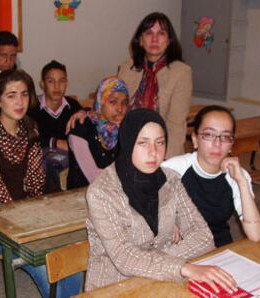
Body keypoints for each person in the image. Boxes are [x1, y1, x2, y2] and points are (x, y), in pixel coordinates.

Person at [85, 109, 238, 294]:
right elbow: (124, 258)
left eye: (160, 143)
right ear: (128, 141)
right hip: (114, 288)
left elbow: (203, 235)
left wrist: (156, 263)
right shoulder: (102, 192)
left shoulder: (170, 180)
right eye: (142, 143)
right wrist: (181, 267)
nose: (153, 152)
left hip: (161, 282)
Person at [0, 69, 81, 298]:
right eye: (11, 95)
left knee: (69, 256)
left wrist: (39, 219)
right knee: (44, 263)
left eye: (24, 94)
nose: (20, 102)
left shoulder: (30, 127)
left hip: (26, 216)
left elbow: (35, 182)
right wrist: (27, 228)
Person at [163, 105, 260, 247]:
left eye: (225, 136)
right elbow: (140, 203)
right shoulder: (173, 169)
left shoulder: (236, 175)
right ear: (195, 140)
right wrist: (164, 221)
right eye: (209, 135)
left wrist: (241, 182)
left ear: (231, 144)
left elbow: (255, 234)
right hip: (180, 250)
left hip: (218, 246)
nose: (217, 143)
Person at [118, 12, 192, 159]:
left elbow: (176, 124)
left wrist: (164, 160)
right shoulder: (128, 67)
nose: (154, 38)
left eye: (161, 33)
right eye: (149, 33)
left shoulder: (181, 72)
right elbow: (113, 104)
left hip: (161, 147)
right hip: (129, 141)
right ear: (140, 40)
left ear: (169, 40)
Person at [27, 60, 82, 193]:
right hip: (43, 156)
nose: (57, 86)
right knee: (48, 166)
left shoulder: (73, 106)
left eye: (61, 81)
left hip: (68, 155)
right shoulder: (31, 107)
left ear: (67, 83)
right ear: (42, 84)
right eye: (51, 81)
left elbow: (83, 133)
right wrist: (56, 142)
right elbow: (29, 137)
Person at [67, 76, 129, 189]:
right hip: (80, 197)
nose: (120, 109)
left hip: (117, 193)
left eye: (124, 102)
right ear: (101, 102)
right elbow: (94, 177)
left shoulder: (125, 127)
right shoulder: (80, 128)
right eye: (113, 102)